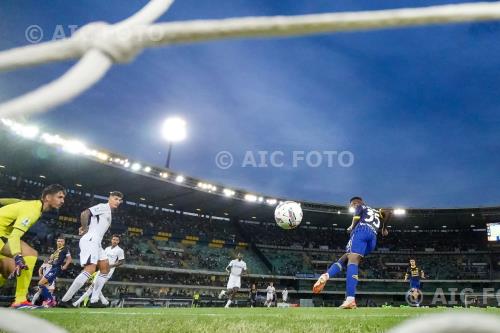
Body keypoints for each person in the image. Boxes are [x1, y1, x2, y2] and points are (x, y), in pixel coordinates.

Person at [312, 197, 390, 309]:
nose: (352, 207)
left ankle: (350, 299)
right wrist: (384, 228)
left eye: (352, 205)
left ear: (355, 203)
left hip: (361, 231)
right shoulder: (376, 210)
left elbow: (357, 216)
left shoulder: (359, 206)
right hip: (373, 238)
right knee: (348, 257)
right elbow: (388, 212)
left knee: (352, 260)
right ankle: (326, 276)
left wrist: (352, 226)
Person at [0, 184, 66, 308]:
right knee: (30, 253)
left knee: (7, 271)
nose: (62, 201)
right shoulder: (32, 211)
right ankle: (20, 300)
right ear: (47, 197)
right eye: (59, 197)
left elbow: (16, 201)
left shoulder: (33, 204)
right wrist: (17, 256)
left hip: (3, 235)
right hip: (3, 234)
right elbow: (15, 236)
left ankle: (20, 300)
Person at [60, 191, 123, 307]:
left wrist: (87, 227)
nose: (118, 202)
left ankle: (94, 301)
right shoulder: (103, 207)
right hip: (91, 241)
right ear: (109, 198)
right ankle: (65, 301)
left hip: (96, 242)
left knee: (105, 269)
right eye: (115, 198)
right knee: (90, 269)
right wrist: (84, 228)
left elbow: (95, 225)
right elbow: (84, 213)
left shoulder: (108, 212)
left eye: (120, 200)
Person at [72, 234, 125, 307]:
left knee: (93, 286)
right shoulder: (107, 249)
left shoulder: (120, 250)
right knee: (95, 286)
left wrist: (110, 266)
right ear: (111, 240)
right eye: (114, 239)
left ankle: (77, 302)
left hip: (108, 271)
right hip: (101, 269)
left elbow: (121, 262)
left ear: (118, 241)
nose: (115, 241)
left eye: (117, 240)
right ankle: (105, 302)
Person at [32, 237, 72, 307]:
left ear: (64, 242)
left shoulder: (65, 249)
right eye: (58, 241)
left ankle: (50, 300)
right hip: (52, 268)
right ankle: (50, 301)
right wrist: (50, 261)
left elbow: (69, 259)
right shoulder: (56, 251)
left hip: (56, 268)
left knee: (40, 283)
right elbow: (52, 261)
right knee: (42, 285)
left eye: (61, 241)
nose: (59, 242)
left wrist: (65, 265)